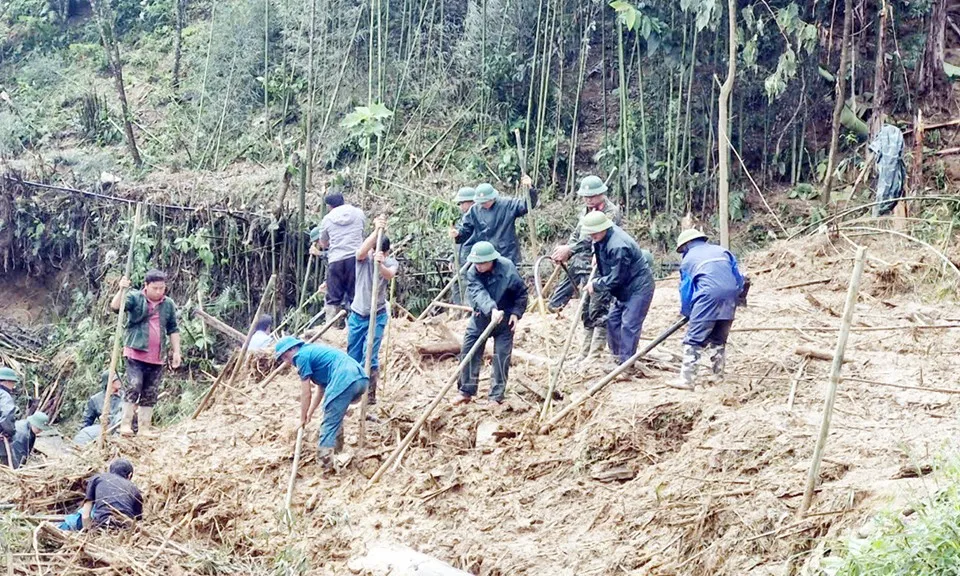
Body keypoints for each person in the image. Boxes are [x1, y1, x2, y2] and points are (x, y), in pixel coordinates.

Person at [549, 175, 623, 363]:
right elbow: (577, 234)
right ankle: (584, 352)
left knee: (599, 308)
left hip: (600, 265)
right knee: (586, 309)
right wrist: (565, 250)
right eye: (586, 196)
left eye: (593, 196)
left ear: (602, 194)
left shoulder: (611, 212)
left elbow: (594, 236)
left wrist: (570, 249)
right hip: (581, 265)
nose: (589, 199)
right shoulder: (585, 211)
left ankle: (595, 354)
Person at [274, 336, 369, 469]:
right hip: (360, 379)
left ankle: (325, 463)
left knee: (329, 423)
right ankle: (337, 451)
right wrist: (309, 415)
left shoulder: (301, 356)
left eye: (284, 357)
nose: (287, 362)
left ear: (291, 350)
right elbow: (320, 390)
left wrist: (301, 418)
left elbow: (306, 393)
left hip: (344, 378)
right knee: (334, 415)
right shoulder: (313, 352)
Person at [453, 241, 528, 405]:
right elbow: (478, 292)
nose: (478, 266)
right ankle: (466, 390)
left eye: (482, 263)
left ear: (492, 260)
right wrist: (491, 309)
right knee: (469, 350)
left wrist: (516, 313)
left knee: (502, 356)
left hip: (505, 318)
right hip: (481, 316)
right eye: (476, 263)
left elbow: (521, 293)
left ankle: (496, 396)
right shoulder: (472, 272)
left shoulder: (508, 269)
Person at [110, 269, 182, 437]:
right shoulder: (135, 297)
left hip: (157, 357)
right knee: (134, 385)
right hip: (136, 352)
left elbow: (173, 328)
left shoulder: (168, 304)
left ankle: (144, 428)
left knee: (150, 392)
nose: (159, 291)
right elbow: (116, 307)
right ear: (146, 286)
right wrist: (121, 290)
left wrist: (176, 351)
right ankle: (126, 424)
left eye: (162, 288)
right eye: (155, 288)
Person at [669, 229, 744, 391]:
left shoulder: (689, 260)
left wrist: (688, 312)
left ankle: (687, 379)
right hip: (731, 294)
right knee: (718, 338)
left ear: (686, 245)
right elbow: (739, 277)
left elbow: (686, 290)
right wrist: (737, 296)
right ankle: (718, 376)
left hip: (707, 295)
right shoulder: (723, 251)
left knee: (694, 338)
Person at [581, 211, 655, 367]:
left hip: (638, 287)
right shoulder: (602, 237)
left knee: (629, 325)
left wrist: (596, 284)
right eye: (590, 233)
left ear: (603, 228)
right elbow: (603, 254)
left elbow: (616, 278)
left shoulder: (619, 246)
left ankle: (626, 366)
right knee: (613, 321)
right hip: (623, 288)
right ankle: (617, 360)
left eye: (594, 233)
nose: (592, 236)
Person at [346, 215, 398, 406]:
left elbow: (390, 274)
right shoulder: (363, 259)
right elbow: (360, 252)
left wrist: (381, 264)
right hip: (358, 314)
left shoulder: (390, 262)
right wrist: (376, 231)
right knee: (353, 353)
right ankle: (352, 393)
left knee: (371, 353)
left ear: (386, 252)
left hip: (378, 314)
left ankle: (370, 396)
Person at [449, 176, 537, 266]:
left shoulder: (507, 205)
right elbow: (466, 230)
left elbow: (526, 205)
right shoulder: (474, 210)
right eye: (481, 202)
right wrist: (457, 234)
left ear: (493, 198)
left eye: (486, 201)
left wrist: (530, 188)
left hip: (507, 252)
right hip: (485, 255)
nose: (484, 204)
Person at [312, 192, 366, 326]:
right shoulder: (358, 213)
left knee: (333, 297)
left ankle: (331, 328)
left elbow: (323, 242)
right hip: (356, 258)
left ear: (329, 206)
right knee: (355, 294)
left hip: (336, 260)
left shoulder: (327, 219)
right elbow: (361, 231)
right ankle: (356, 325)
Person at [80, 459, 143, 530]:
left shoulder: (97, 478)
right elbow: (137, 520)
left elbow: (86, 514)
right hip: (125, 528)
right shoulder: (135, 489)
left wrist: (88, 531)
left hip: (102, 525)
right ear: (129, 475)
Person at [451, 187, 476, 305]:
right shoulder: (463, 219)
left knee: (469, 286)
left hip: (470, 260)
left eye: (462, 203)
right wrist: (452, 258)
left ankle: (468, 312)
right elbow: (459, 241)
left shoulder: (479, 218)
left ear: (472, 202)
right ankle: (458, 313)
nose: (460, 206)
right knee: (456, 286)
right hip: (459, 260)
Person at [0, 367, 19, 443]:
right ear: (7, 382)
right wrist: (10, 433)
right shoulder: (4, 395)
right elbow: (7, 416)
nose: (13, 386)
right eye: (13, 382)